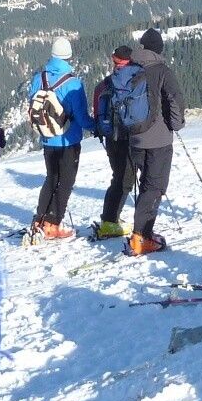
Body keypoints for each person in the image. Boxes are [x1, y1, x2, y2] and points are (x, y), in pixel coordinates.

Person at [23, 39, 93, 240]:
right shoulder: (73, 83)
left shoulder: (39, 78)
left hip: (47, 138)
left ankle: (39, 220)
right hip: (68, 140)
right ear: (68, 56)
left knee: (51, 178)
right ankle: (53, 224)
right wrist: (97, 127)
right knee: (66, 181)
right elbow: (81, 117)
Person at [124, 27, 185, 255]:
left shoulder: (130, 69)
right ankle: (141, 237)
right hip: (158, 138)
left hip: (134, 137)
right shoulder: (162, 71)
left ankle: (142, 233)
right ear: (159, 49)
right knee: (154, 187)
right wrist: (176, 124)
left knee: (145, 185)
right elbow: (175, 99)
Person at [90, 45, 141, 238]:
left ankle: (109, 219)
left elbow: (97, 113)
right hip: (131, 135)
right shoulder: (135, 80)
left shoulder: (104, 85)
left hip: (111, 138)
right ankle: (110, 221)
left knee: (118, 176)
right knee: (126, 179)